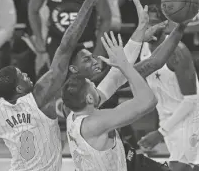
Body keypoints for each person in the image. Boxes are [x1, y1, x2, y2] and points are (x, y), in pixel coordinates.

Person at [0, 0, 108, 171]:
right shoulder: (39, 97)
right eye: (23, 76)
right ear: (19, 88)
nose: (27, 75)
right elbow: (66, 45)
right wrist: (88, 4)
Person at [63, 0, 194, 170]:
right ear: (73, 69)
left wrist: (145, 28)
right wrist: (124, 63)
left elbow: (136, 69)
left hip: (123, 157)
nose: (95, 60)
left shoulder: (76, 101)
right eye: (86, 59)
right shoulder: (93, 119)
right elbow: (145, 99)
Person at [64, 33, 162, 171]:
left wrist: (138, 34)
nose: (95, 86)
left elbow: (114, 78)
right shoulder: (96, 122)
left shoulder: (73, 111)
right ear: (89, 98)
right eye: (92, 85)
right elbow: (148, 101)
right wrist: (125, 65)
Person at [134, 5, 199, 171]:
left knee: (178, 167)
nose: (148, 28)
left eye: (153, 23)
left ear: (164, 25)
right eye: (145, 24)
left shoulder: (178, 52)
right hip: (166, 117)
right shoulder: (144, 47)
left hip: (188, 117)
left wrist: (160, 133)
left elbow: (192, 100)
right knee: (190, 168)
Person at [28, 0, 112, 72]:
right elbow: (32, 11)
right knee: (49, 82)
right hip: (57, 44)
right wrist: (40, 44)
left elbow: (106, 18)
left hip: (86, 44)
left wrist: (99, 52)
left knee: (90, 84)